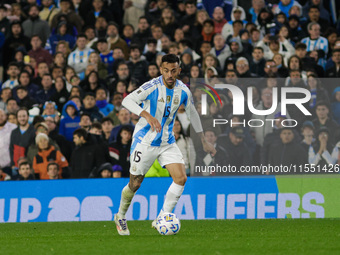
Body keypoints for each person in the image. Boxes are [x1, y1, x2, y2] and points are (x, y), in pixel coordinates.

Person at [114, 54, 216, 235]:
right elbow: (127, 100)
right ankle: (121, 215)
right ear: (161, 70)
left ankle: (163, 215)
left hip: (167, 141)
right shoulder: (152, 86)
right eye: (166, 70)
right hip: (145, 141)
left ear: (179, 70)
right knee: (135, 183)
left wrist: (203, 140)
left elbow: (192, 113)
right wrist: (146, 115)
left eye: (173, 71)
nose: (170, 74)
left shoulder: (183, 91)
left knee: (181, 178)